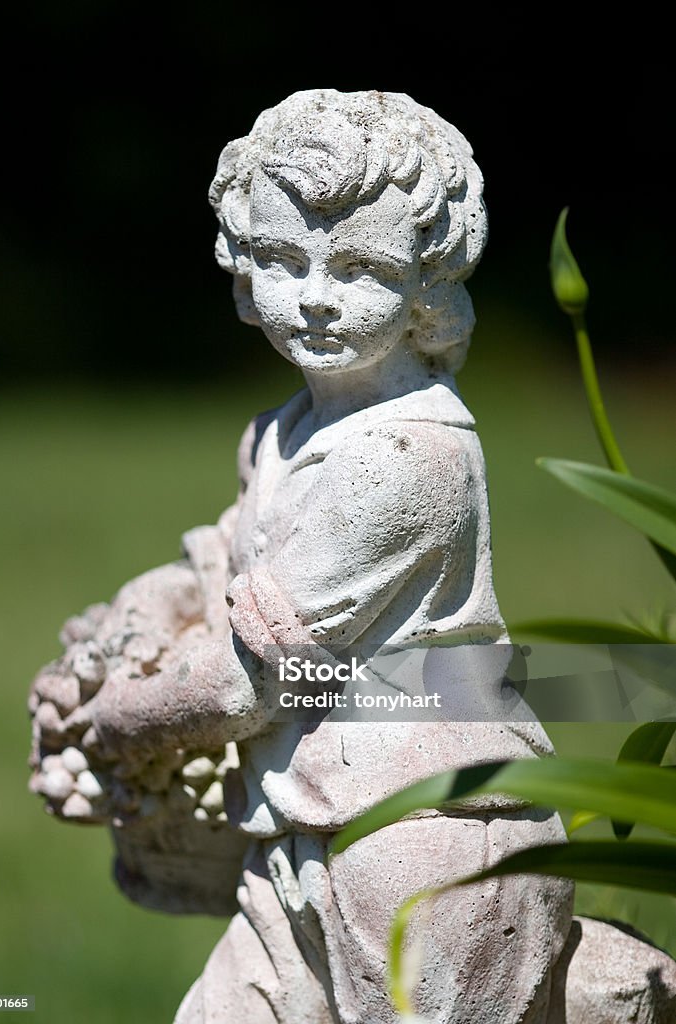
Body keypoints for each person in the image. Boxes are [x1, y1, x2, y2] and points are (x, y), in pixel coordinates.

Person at [29, 90, 573, 1023]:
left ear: (427, 283)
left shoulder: (411, 456)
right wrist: (143, 614)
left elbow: (254, 682)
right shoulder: (283, 432)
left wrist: (117, 718)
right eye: (283, 260)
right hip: (294, 828)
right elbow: (224, 567)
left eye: (358, 267)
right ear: (243, 269)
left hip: (421, 838)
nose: (314, 296)